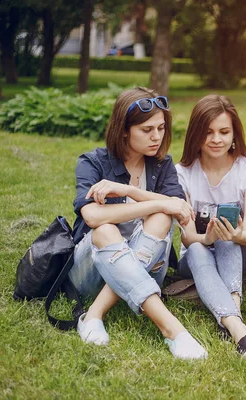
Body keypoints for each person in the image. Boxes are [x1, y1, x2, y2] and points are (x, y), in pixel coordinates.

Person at [68, 87, 208, 360]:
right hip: (90, 273)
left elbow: (179, 210)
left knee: (160, 218)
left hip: (145, 265)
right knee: (106, 228)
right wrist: (159, 202)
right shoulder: (92, 162)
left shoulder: (161, 165)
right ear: (123, 130)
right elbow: (92, 217)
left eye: (161, 128)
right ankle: (172, 330)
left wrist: (130, 192)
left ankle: (94, 314)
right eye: (147, 130)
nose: (157, 137)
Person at [175, 94, 246, 357]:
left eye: (224, 132)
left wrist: (234, 234)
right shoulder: (183, 173)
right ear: (195, 135)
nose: (216, 139)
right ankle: (239, 329)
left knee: (227, 239)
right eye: (208, 132)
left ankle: (231, 321)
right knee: (200, 249)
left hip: (234, 252)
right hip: (194, 257)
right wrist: (207, 238)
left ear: (234, 134)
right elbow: (188, 238)